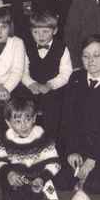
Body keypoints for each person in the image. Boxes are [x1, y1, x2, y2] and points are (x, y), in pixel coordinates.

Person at [56, 35, 100, 195]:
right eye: (86, 56)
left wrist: (92, 160)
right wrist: (72, 151)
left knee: (94, 187)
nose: (90, 60)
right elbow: (68, 119)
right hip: (78, 147)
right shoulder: (75, 79)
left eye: (96, 55)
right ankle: (79, 173)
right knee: (61, 182)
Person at [0, 96, 61, 200]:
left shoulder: (42, 137)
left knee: (36, 191)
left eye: (28, 119)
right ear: (8, 123)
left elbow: (54, 163)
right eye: (18, 121)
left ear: (34, 118)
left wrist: (42, 178)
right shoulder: (5, 139)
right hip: (15, 175)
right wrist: (9, 173)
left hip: (36, 177)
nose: (24, 125)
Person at [21, 11, 72, 143]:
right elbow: (22, 70)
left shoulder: (62, 48)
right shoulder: (27, 47)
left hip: (54, 90)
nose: (40, 36)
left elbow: (66, 73)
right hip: (32, 89)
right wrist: (30, 83)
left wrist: (50, 85)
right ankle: (27, 142)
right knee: (24, 109)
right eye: (36, 32)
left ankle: (51, 143)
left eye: (45, 31)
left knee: (54, 112)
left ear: (54, 31)